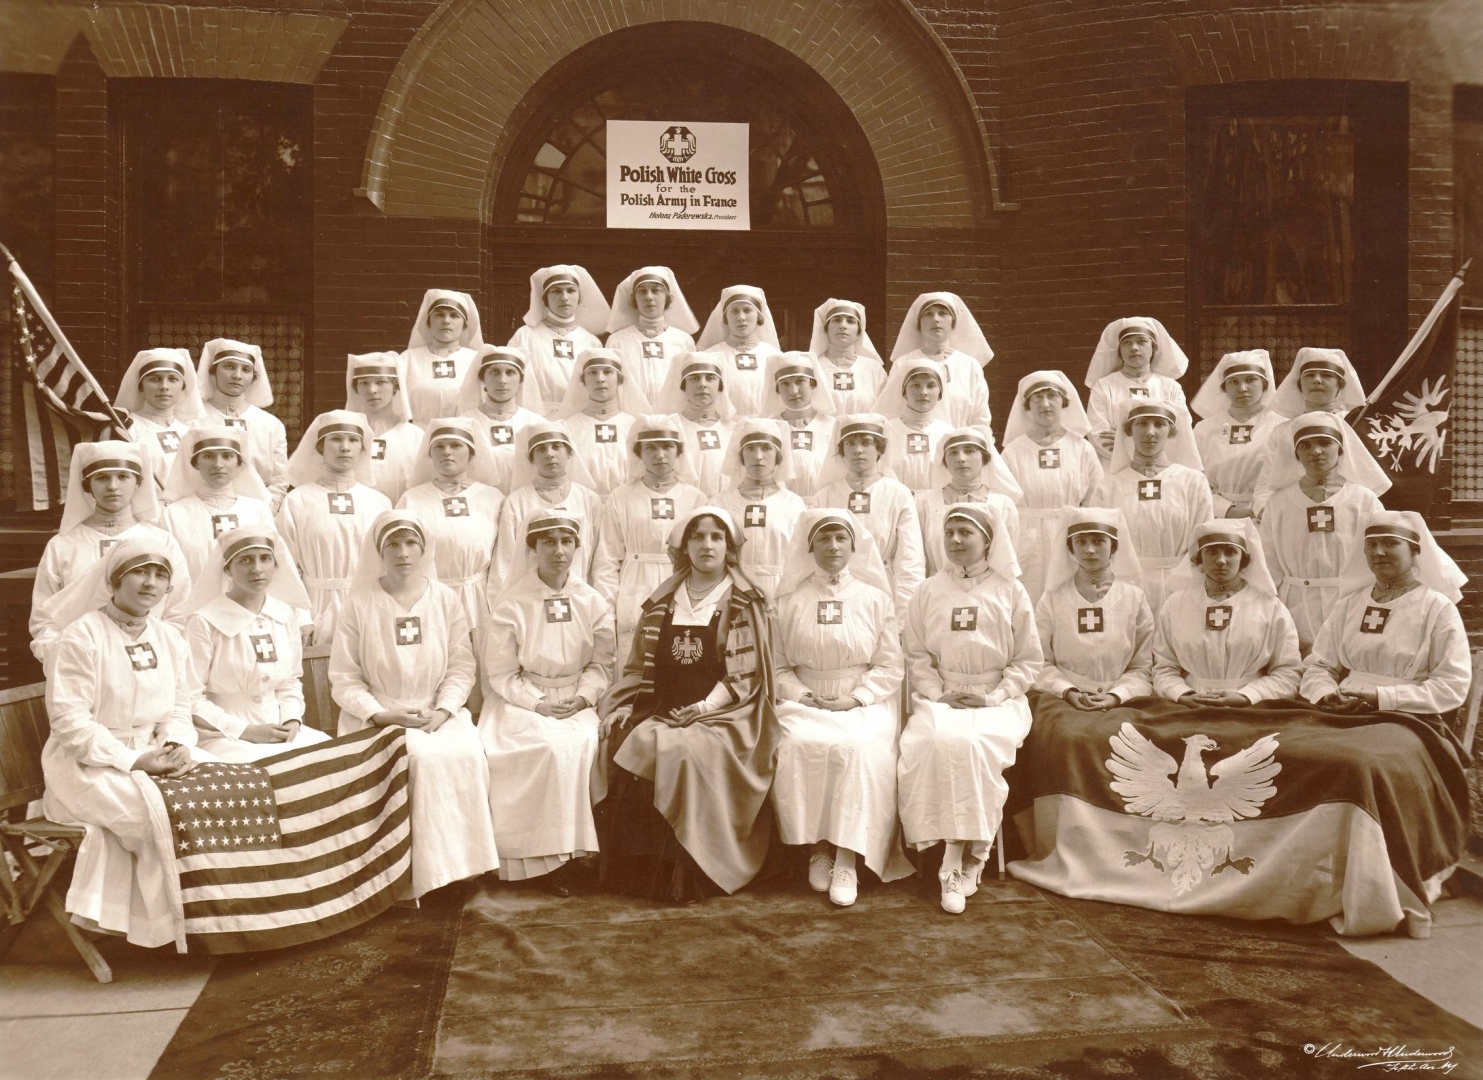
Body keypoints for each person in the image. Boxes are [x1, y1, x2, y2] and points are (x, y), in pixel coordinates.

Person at [1008, 512, 1466, 938]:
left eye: (1391, 546)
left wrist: (1255, 695)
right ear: (1198, 559)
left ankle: (1351, 880)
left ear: (1415, 552)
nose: (1380, 554)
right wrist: (1324, 693)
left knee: (1338, 762)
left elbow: (1446, 684)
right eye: (1212, 552)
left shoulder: (1434, 609)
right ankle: (1142, 864)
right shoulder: (1341, 604)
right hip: (1276, 707)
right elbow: (1316, 667)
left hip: (1385, 711)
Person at [598, 507, 777, 902]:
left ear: (729, 547)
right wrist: (628, 705)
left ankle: (692, 874)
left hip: (727, 711)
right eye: (697, 536)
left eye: (716, 537)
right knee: (629, 738)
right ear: (684, 546)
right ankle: (644, 869)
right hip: (662, 705)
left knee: (684, 750)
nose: (706, 545)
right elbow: (640, 667)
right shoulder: (663, 600)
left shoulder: (743, 600)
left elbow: (746, 676)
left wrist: (705, 707)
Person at [40, 539, 204, 948]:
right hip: (87, 765)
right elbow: (70, 723)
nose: (150, 583)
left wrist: (178, 743)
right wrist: (135, 760)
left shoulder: (169, 637)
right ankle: (161, 929)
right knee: (158, 816)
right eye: (139, 572)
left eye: (160, 575)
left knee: (213, 795)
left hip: (155, 752)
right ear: (114, 580)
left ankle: (208, 919)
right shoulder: (81, 637)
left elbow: (179, 705)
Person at [329, 510, 501, 897]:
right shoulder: (359, 604)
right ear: (379, 550)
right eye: (392, 544)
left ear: (424, 549)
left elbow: (461, 665)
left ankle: (461, 871)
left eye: (411, 543)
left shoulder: (445, 599)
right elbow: (344, 677)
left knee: (467, 754)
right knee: (419, 758)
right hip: (377, 715)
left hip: (437, 711)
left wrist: (443, 711)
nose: (402, 552)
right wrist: (379, 713)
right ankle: (416, 876)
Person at [898, 504, 1042, 914]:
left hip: (997, 699)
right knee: (930, 741)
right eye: (950, 533)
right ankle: (952, 853)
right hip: (942, 697)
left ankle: (964, 860)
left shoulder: (1010, 590)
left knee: (972, 745)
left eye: (966, 532)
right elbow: (916, 655)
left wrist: (994, 696)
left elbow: (1028, 659)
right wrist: (936, 692)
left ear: (988, 541)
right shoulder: (928, 590)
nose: (956, 540)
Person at [771, 511, 914, 906]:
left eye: (840, 539)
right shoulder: (788, 600)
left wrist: (856, 698)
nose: (832, 547)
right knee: (798, 744)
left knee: (856, 749)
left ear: (854, 546)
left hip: (863, 700)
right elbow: (777, 666)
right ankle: (819, 846)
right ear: (810, 546)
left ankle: (848, 857)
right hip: (805, 700)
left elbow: (890, 666)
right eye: (823, 539)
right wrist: (803, 695)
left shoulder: (875, 598)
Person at [481, 511, 615, 894]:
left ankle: (579, 855)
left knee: (584, 743)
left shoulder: (592, 601)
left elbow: (601, 664)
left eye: (566, 542)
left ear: (576, 547)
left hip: (576, 698)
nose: (558, 551)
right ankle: (542, 860)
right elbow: (501, 673)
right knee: (546, 748)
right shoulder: (513, 604)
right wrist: (537, 703)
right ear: (533, 548)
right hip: (522, 699)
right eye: (548, 542)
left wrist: (583, 697)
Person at [31, 442, 191, 665]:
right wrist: (66, 658)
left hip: (148, 661)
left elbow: (178, 612)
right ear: (87, 485)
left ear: (138, 482)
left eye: (123, 477)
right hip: (79, 663)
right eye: (102, 478)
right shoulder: (63, 545)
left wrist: (158, 656)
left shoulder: (162, 541)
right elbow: (44, 620)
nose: (113, 486)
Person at [180, 526, 330, 762]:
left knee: (329, 759)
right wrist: (246, 731)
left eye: (265, 559)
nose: (257, 569)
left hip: (279, 729)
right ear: (227, 568)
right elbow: (190, 697)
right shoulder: (204, 621)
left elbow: (290, 681)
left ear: (276, 564)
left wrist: (291, 719)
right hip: (224, 735)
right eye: (245, 560)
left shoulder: (285, 614)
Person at [1258, 411, 1391, 653]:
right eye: (1306, 445)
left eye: (1325, 443)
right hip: (1294, 604)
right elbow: (1269, 562)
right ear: (1295, 453)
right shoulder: (1279, 502)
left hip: (1350, 601)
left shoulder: (1363, 499)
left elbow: (1379, 556)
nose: (1316, 451)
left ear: (1340, 449)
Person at [591, 418, 708, 662]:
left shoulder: (695, 498)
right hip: (634, 584)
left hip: (681, 584)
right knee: (634, 659)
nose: (660, 455)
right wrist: (607, 608)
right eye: (651, 447)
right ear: (639, 453)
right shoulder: (621, 497)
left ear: (678, 451)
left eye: (667, 446)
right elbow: (607, 559)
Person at [1152, 520, 1302, 705]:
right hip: (1189, 705)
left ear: (1244, 559)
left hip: (1252, 706)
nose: (1221, 560)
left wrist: (1247, 696)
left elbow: (1288, 673)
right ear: (1199, 558)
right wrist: (1183, 694)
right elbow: (1163, 668)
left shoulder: (1270, 607)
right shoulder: (1176, 605)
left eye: (1230, 552)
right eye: (1212, 551)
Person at [275, 410, 393, 644]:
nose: (345, 447)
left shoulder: (379, 502)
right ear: (320, 447)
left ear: (362, 449)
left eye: (353, 440)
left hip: (369, 609)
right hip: (315, 609)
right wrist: (301, 618)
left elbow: (387, 567)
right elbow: (286, 566)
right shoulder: (297, 500)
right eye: (336, 439)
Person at [1093, 401, 1211, 614]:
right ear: (1129, 430)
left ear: (1171, 431)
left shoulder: (1192, 482)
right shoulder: (1109, 486)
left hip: (1180, 584)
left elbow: (1203, 539)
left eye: (1159, 424)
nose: (1150, 432)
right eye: (1141, 423)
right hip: (1124, 585)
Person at [1033, 507, 1154, 708]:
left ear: (1113, 547)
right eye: (1081, 541)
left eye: (1098, 541)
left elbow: (1142, 666)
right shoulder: (1052, 598)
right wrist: (1067, 691)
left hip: (1123, 701)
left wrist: (1116, 695)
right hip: (1062, 699)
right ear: (1071, 548)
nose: (1089, 549)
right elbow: (1039, 660)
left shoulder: (1134, 597)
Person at [999, 370, 1103, 602]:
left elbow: (1096, 499)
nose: (1045, 404)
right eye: (1037, 397)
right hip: (1027, 537)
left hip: (1070, 534)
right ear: (1027, 405)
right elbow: (1003, 504)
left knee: (1070, 599)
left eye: (1052, 396)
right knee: (1029, 598)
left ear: (1063, 402)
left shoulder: (1081, 448)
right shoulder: (1013, 451)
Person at [396, 417, 504, 635]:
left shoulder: (493, 498)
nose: (446, 452)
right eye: (439, 446)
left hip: (479, 598)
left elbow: (503, 558)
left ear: (471, 453)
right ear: (429, 454)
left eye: (455, 445)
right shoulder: (412, 499)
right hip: (431, 597)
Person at [815, 414, 926, 621]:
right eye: (850, 443)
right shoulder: (826, 495)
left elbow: (910, 558)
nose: (858, 450)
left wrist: (904, 613)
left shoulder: (897, 493)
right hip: (837, 588)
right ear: (842, 450)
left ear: (880, 449)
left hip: (884, 587)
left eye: (866, 443)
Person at [1252, 347, 1370, 512]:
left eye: (1326, 375)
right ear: (1299, 384)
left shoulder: (1356, 424)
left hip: (1348, 509)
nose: (1317, 380)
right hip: (1294, 510)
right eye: (1309, 375)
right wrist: (1266, 512)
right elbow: (1266, 484)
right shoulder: (1282, 431)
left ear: (1340, 384)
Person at [488, 421, 601, 589]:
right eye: (541, 449)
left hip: (580, 593)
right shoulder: (517, 501)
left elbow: (600, 558)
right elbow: (505, 561)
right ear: (531, 459)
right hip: (530, 594)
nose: (549, 454)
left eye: (556, 447)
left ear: (569, 452)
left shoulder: (589, 499)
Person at [160, 425, 275, 585]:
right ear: (196, 463)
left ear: (239, 464)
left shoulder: (258, 510)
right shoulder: (173, 514)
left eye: (227, 456)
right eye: (208, 456)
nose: (218, 464)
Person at [716, 418, 808, 601]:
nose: (758, 456)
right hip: (732, 589)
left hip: (781, 590)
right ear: (741, 456)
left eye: (766, 448)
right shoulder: (720, 503)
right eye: (750, 448)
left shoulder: (793, 504)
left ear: (778, 456)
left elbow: (801, 557)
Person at [916, 427, 1023, 578]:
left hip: (990, 585)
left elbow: (1009, 555)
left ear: (984, 458)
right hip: (938, 585)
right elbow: (917, 556)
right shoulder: (925, 503)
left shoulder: (1003, 504)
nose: (961, 458)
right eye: (953, 453)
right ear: (944, 461)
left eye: (969, 451)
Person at [196, 338, 289, 510]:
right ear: (213, 372)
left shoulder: (270, 424)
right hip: (203, 508)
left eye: (246, 369)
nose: (237, 375)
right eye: (229, 366)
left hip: (258, 511)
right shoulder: (193, 420)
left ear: (253, 377)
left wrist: (266, 511)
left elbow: (279, 478)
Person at [1083, 317, 1190, 466]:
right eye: (1127, 343)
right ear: (1119, 350)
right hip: (1116, 468)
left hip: (1162, 468)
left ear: (1153, 348)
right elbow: (1098, 434)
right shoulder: (1103, 386)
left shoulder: (1171, 387)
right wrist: (1146, 447)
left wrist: (1122, 439)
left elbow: (1180, 431)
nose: (1134, 347)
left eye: (1141, 341)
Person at [1190, 350, 1284, 518]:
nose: (1242, 388)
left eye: (1251, 380)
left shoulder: (1282, 426)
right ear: (1224, 388)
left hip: (1268, 514)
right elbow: (1194, 477)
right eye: (1233, 382)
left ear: (1264, 384)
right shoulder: (1204, 429)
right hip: (1216, 515)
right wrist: (1225, 510)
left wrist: (1263, 509)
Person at [508, 265, 608, 413]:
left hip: (578, 416)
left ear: (579, 297)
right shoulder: (525, 335)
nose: (564, 297)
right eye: (556, 291)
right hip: (536, 415)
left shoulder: (591, 342)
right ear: (545, 298)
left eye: (571, 290)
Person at [888, 292, 992, 431]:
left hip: (959, 442)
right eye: (928, 314)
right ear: (918, 324)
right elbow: (893, 412)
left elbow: (980, 418)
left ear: (954, 322)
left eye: (943, 313)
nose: (935, 319)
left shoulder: (970, 365)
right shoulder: (903, 363)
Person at [555, 348, 645, 498]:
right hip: (583, 503)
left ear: (620, 380)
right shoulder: (568, 428)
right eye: (592, 373)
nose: (600, 379)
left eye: (608, 372)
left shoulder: (635, 426)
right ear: (583, 381)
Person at [455, 344, 547, 492]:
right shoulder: (465, 422)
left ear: (520, 380)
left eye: (510, 372)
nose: (502, 380)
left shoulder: (535, 423)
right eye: (494, 372)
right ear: (482, 379)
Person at [604, 266, 699, 407]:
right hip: (631, 414)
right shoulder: (617, 341)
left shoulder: (683, 340)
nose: (649, 297)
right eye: (642, 291)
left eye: (656, 290)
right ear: (634, 299)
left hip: (673, 415)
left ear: (667, 297)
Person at [114, 348, 201, 494]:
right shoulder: (126, 430)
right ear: (141, 387)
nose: (164, 387)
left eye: (173, 379)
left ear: (183, 388)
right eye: (155, 379)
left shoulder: (192, 431)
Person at [346, 351, 424, 505]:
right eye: (364, 383)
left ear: (395, 386)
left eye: (381, 382)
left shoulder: (415, 436)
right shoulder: (345, 436)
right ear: (356, 388)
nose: (372, 390)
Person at [652, 353, 736, 497]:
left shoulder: (734, 429)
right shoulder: (671, 429)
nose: (702, 384)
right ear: (683, 386)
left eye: (710, 378)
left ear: (720, 386)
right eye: (694, 378)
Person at [695, 285, 783, 418]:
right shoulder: (709, 357)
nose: (741, 317)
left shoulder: (775, 357)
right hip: (724, 426)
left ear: (759, 316)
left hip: (766, 427)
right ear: (725, 318)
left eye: (747, 310)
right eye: (734, 311)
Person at [872, 356, 957, 493]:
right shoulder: (886, 432)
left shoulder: (949, 434)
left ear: (940, 393)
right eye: (916, 385)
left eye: (931, 386)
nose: (923, 392)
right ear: (904, 392)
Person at [400, 289, 484, 425]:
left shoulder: (476, 360)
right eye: (439, 315)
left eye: (454, 316)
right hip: (418, 434)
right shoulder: (408, 359)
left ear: (465, 325)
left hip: (464, 434)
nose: (446, 321)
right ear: (428, 322)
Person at [762, 352, 835, 504]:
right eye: (785, 384)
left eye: (800, 381)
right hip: (782, 506)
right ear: (777, 389)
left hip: (826, 506)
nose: (793, 391)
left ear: (813, 384)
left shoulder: (832, 426)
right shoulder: (768, 428)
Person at [809, 298, 887, 416]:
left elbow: (884, 412)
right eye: (836, 320)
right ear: (826, 329)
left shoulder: (874, 369)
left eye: (850, 321)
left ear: (859, 333)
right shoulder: (812, 367)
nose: (842, 325)